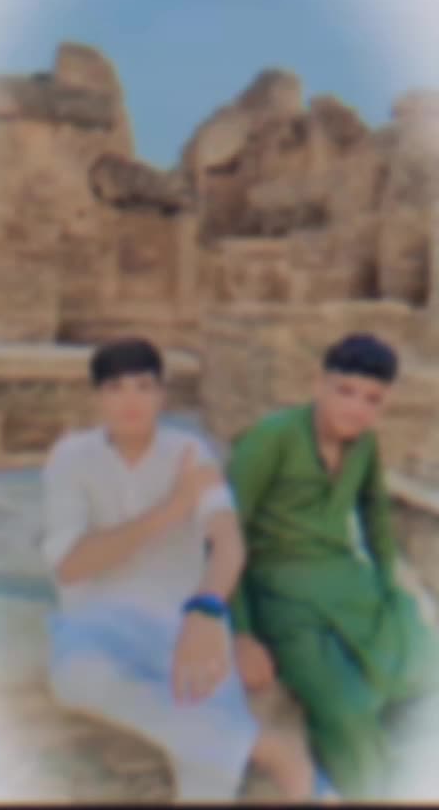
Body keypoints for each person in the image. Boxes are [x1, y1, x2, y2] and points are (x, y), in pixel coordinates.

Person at [41, 337, 315, 802]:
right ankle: (264, 748)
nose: (130, 400)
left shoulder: (189, 450)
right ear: (97, 397)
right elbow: (71, 566)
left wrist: (207, 607)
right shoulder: (71, 457)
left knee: (207, 782)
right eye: (115, 388)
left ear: (162, 394)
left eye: (143, 386)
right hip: (100, 623)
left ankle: (278, 761)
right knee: (76, 678)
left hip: (181, 622)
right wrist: (173, 507)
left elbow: (227, 541)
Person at [228, 334, 439, 800]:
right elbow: (223, 534)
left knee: (426, 668)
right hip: (281, 598)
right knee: (346, 710)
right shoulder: (272, 438)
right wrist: (240, 633)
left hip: (347, 584)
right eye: (345, 391)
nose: (356, 408)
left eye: (372, 399)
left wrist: (388, 580)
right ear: (318, 384)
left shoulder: (364, 445)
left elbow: (375, 514)